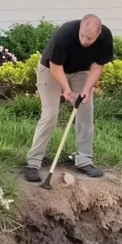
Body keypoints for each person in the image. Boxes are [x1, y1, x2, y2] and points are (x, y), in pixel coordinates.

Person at [23, 14, 114, 182]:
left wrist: (87, 89)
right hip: (51, 70)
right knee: (50, 115)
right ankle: (33, 163)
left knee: (86, 112)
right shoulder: (66, 33)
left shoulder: (105, 38)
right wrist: (65, 89)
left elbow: (97, 67)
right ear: (80, 28)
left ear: (99, 34)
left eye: (90, 38)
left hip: (80, 71)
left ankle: (84, 160)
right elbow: (55, 66)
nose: (85, 41)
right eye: (83, 36)